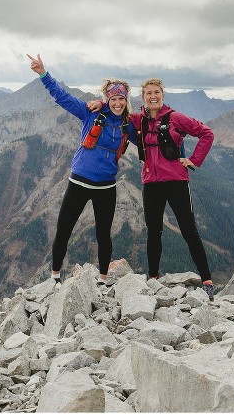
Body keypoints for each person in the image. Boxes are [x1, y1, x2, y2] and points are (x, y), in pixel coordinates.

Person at [27, 53, 135, 287]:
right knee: (64, 228)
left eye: (121, 100)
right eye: (113, 99)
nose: (117, 104)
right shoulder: (91, 112)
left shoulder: (129, 124)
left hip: (107, 186)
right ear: (107, 99)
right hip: (79, 181)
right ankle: (55, 277)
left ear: (127, 101)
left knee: (104, 235)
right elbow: (63, 98)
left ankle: (103, 281)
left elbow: (150, 135)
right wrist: (44, 74)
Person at [130, 78, 216, 300]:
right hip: (151, 183)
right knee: (154, 232)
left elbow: (206, 133)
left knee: (189, 230)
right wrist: (99, 104)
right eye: (148, 93)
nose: (152, 96)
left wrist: (194, 160)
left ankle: (207, 281)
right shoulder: (138, 120)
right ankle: (153, 279)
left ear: (162, 95)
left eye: (156, 92)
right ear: (143, 97)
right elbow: (115, 111)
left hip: (176, 181)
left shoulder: (175, 118)